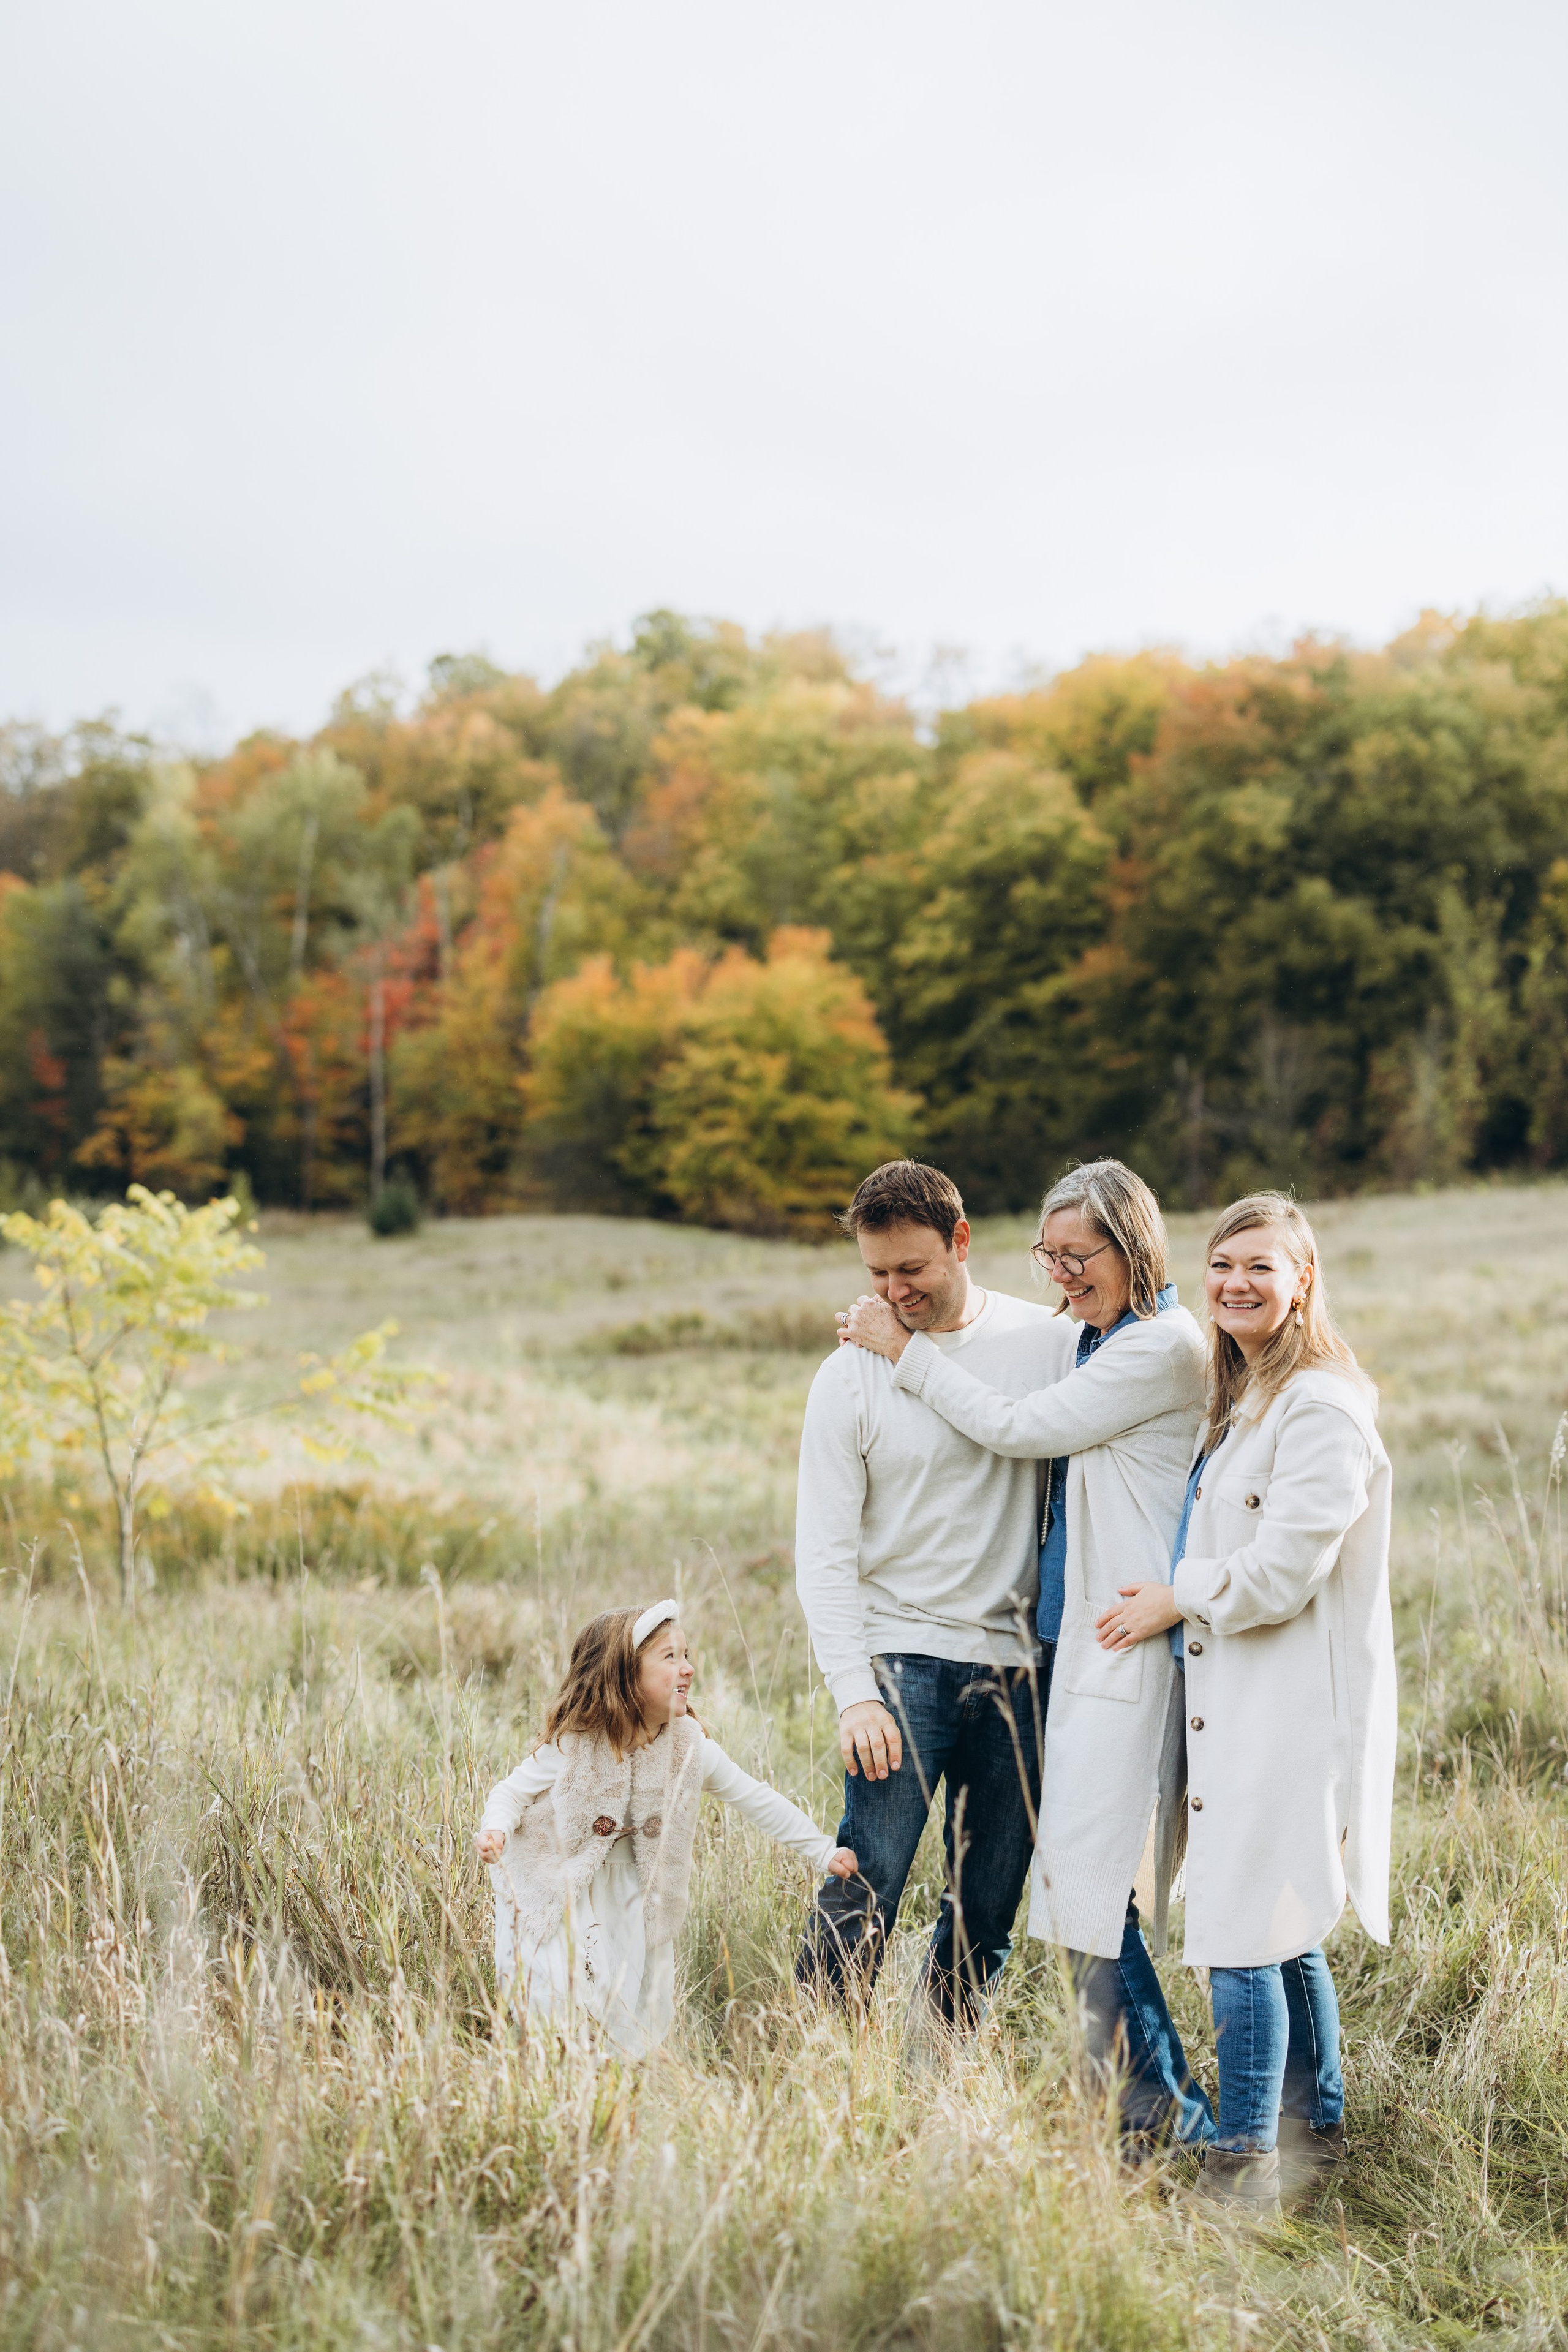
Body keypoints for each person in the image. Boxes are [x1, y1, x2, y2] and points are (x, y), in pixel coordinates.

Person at [841, 1160, 1214, 2144]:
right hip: (1063, 1643)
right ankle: (1145, 2114)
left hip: (1114, 1640)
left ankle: (1167, 2119)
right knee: (1072, 1890)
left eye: (1076, 1255)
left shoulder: (1154, 1349)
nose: (1059, 1275)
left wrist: (903, 1350)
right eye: (1047, 1255)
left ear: (1132, 1243)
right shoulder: (1095, 1338)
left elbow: (1014, 1427)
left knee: (1079, 1892)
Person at [1095, 1193, 1396, 2210]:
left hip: (1288, 1709)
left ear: (1303, 1278)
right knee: (1282, 1919)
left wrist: (1177, 1597)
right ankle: (1319, 2131)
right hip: (1240, 1701)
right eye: (1223, 1264)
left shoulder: (1323, 1406)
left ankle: (1244, 2162)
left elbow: (1285, 1572)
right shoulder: (1253, 1397)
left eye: (1261, 1267)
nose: (1236, 1283)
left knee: (1238, 1928)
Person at [794, 1158, 1070, 2026]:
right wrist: (853, 1694)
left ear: (960, 1241)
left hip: (1020, 1663)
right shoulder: (848, 1374)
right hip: (900, 1660)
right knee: (864, 1876)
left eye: (912, 1269)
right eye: (876, 1273)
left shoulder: (1049, 1344)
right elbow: (826, 1550)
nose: (893, 1291)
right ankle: (816, 2058)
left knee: (987, 1900)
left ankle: (940, 2064)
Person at [475, 1602, 858, 2056]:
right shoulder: (577, 1744)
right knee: (558, 1998)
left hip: (636, 1893)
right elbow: (510, 1793)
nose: (689, 1669)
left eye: (688, 1655)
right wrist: (495, 1830)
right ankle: (550, 2077)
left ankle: (612, 2089)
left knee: (627, 2006)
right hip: (560, 1886)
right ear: (623, 1675)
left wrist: (822, 1850)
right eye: (670, 1657)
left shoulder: (689, 1747)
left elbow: (756, 1798)